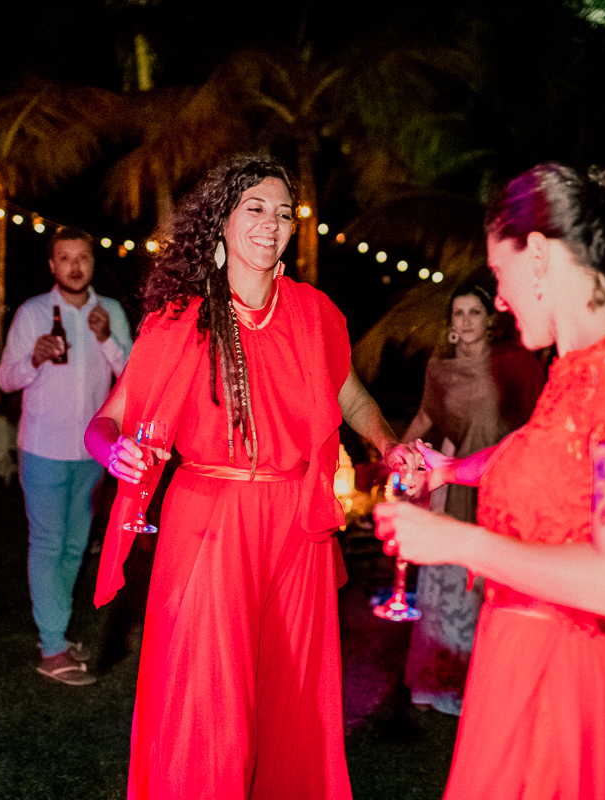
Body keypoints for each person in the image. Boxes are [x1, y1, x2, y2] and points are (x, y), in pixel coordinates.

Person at [84, 154, 416, 800]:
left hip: (298, 528)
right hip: (209, 522)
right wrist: (112, 452)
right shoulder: (180, 318)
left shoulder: (312, 312)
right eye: (255, 208)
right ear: (222, 221)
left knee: (291, 693)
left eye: (284, 213)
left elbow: (350, 397)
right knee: (207, 695)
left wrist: (388, 442)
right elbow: (107, 421)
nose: (272, 223)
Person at [374, 162, 605, 799]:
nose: (500, 299)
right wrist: (447, 471)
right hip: (516, 664)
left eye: (499, 273)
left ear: (537, 254)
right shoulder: (574, 370)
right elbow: (534, 453)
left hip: (567, 684)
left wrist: (457, 543)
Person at [400, 283, 544, 715]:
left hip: (501, 476)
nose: (465, 320)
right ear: (450, 323)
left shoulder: (513, 363)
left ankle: (486, 684)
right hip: (452, 476)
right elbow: (426, 415)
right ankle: (438, 683)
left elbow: (536, 422)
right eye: (459, 313)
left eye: (475, 312)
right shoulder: (439, 368)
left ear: (490, 320)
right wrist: (394, 452)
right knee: (448, 585)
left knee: (489, 583)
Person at [0, 226, 132, 685]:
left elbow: (133, 378)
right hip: (43, 448)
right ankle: (52, 646)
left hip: (93, 451)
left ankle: (55, 629)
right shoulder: (33, 312)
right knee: (48, 543)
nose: (75, 267)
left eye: (83, 258)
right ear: (52, 265)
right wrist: (33, 358)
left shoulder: (109, 311)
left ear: (93, 263)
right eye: (65, 258)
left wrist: (107, 338)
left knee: (76, 546)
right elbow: (6, 379)